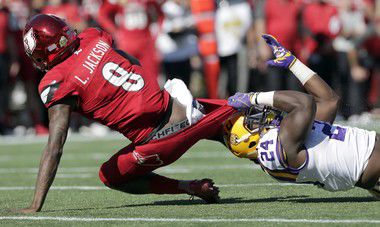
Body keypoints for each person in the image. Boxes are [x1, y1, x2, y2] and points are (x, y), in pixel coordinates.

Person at [19, 14, 236, 213]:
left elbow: (55, 146)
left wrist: (36, 204)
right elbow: (133, 62)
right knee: (234, 121)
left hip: (159, 139)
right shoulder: (92, 37)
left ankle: (188, 187)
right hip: (177, 103)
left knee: (109, 176)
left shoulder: (57, 81)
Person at [225, 34, 380, 198]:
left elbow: (328, 101)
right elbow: (304, 103)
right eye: (253, 121)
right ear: (248, 141)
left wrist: (292, 63)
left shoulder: (297, 137)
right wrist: (253, 97)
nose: (262, 115)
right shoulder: (278, 147)